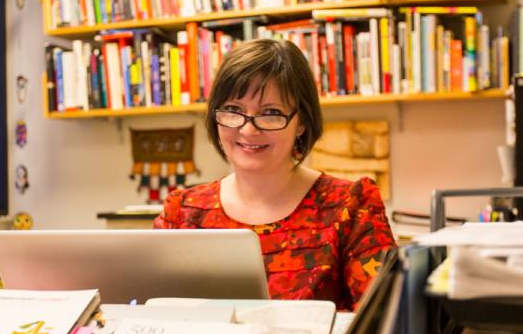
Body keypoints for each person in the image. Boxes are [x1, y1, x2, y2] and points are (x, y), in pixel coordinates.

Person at [154, 38, 396, 311]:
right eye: (234, 110)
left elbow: (383, 321)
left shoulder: (351, 206)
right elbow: (147, 313)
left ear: (302, 122)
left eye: (271, 113)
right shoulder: (182, 211)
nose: (248, 130)